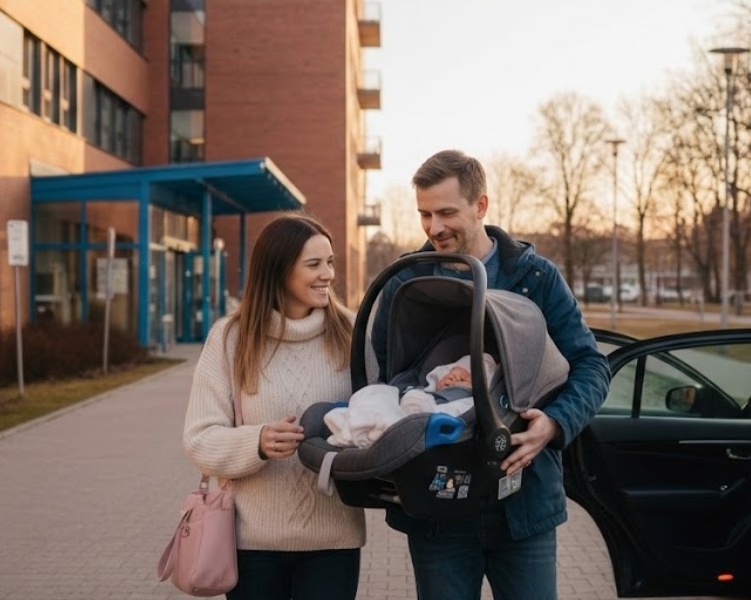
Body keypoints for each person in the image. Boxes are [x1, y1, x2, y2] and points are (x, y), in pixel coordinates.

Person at [370, 149, 610, 600]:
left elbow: (592, 365)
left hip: (523, 505)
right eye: (424, 214)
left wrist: (554, 424)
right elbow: (386, 381)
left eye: (446, 212)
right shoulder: (404, 283)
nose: (434, 227)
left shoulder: (535, 278)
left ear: (480, 206)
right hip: (436, 505)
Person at [183, 215, 365, 600]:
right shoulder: (231, 338)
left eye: (330, 262)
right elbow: (199, 440)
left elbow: (383, 415)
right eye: (314, 264)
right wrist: (258, 442)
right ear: (278, 270)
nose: (328, 274)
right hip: (251, 545)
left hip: (334, 542)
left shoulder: (353, 332)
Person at [323, 354, 499, 447]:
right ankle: (354, 413)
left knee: (412, 401)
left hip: (427, 422)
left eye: (463, 380)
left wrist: (424, 408)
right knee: (382, 391)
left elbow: (455, 415)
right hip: (403, 409)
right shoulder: (425, 390)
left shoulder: (469, 403)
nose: (453, 380)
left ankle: (368, 425)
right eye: (451, 375)